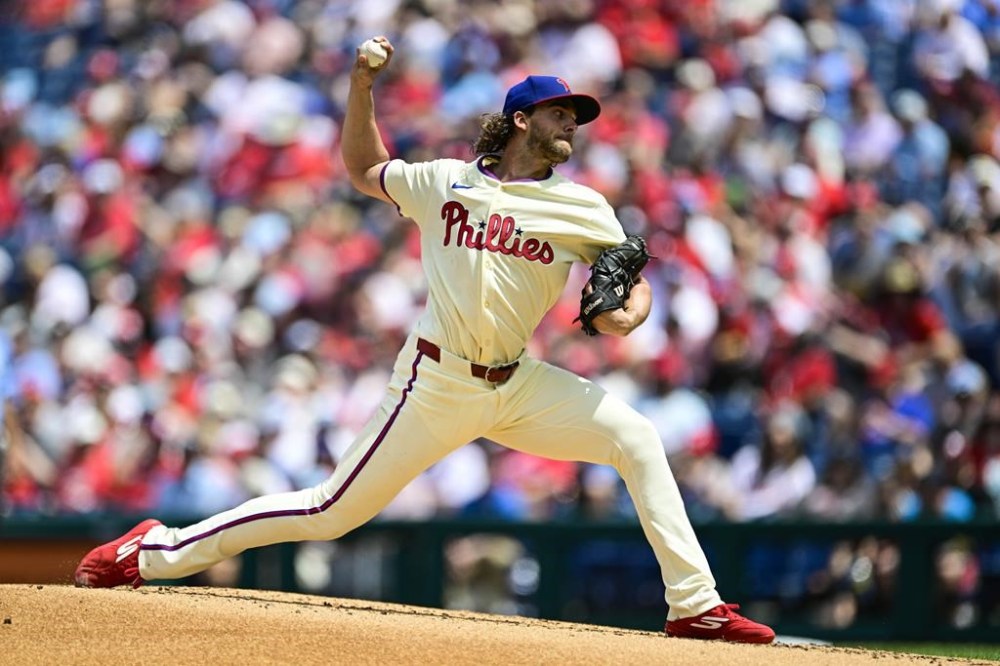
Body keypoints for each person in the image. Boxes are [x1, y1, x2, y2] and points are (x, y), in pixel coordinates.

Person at [74, 37, 775, 644]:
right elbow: (362, 168)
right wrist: (361, 86)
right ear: (521, 119)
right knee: (328, 512)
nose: (573, 125)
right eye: (561, 113)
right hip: (436, 381)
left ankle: (696, 608)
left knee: (637, 438)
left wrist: (627, 314)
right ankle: (152, 551)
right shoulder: (444, 182)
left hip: (518, 383)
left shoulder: (582, 206)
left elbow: (631, 279)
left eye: (578, 116)